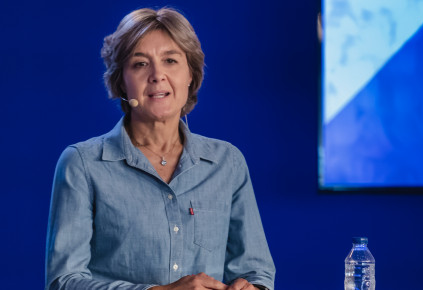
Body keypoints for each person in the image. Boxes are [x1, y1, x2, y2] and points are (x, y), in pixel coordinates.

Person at [45, 7, 275, 290]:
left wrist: (252, 288)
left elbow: (256, 272)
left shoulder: (227, 163)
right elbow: (63, 282)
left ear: (191, 75)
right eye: (140, 64)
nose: (157, 75)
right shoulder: (81, 164)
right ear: (121, 81)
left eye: (170, 60)